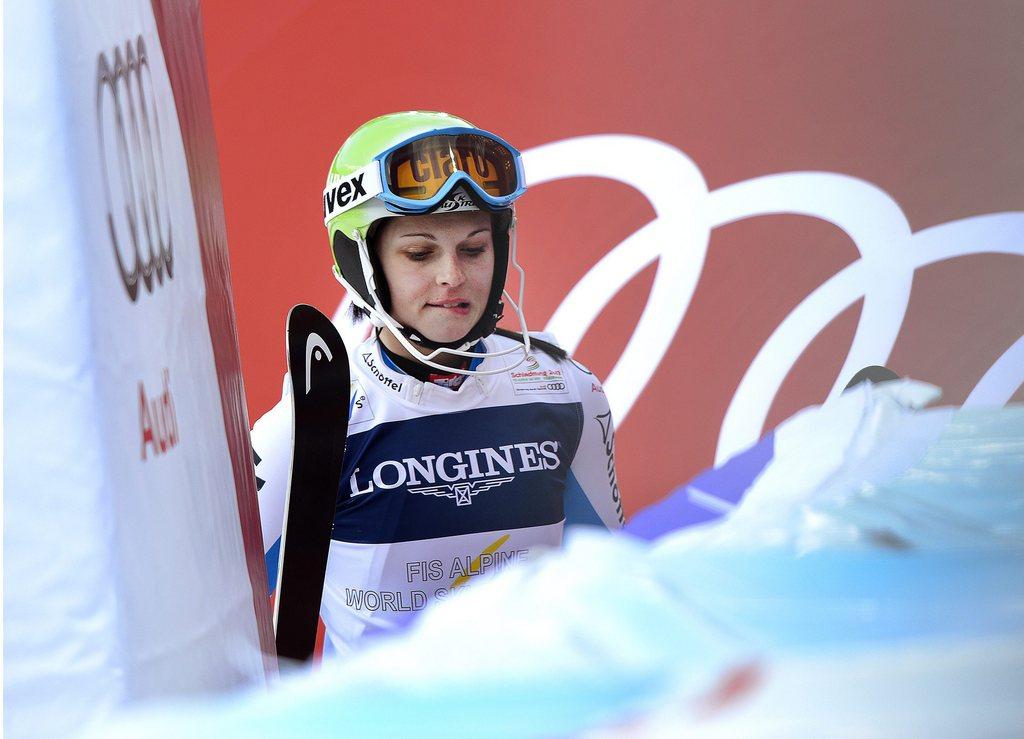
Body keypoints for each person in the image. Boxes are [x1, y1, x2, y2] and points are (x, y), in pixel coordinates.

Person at [252, 111, 624, 658]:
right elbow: (220, 635)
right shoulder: (309, 425)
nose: (452, 276)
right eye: (420, 253)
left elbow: (608, 588)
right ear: (361, 263)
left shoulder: (564, 388)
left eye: (473, 249)